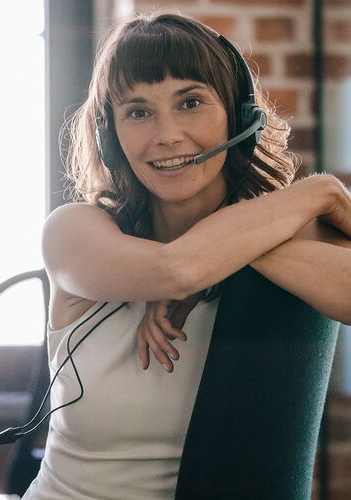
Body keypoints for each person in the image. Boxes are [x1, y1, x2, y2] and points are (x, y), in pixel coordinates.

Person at [22, 10, 351, 500]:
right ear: (111, 135)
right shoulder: (74, 231)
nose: (167, 135)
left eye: (191, 102)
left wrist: (226, 251)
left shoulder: (284, 235)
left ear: (239, 116)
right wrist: (320, 191)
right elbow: (174, 269)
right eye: (137, 111)